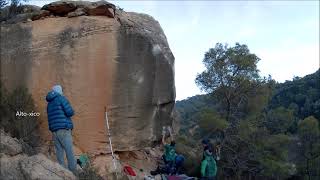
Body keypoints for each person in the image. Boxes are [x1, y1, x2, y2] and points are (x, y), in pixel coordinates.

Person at [46, 85, 76, 173]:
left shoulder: (49, 103)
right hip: (64, 128)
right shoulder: (61, 99)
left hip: (54, 131)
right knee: (69, 150)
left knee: (59, 152)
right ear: (59, 91)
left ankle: (62, 172)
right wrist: (72, 111)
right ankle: (73, 172)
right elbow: (69, 112)